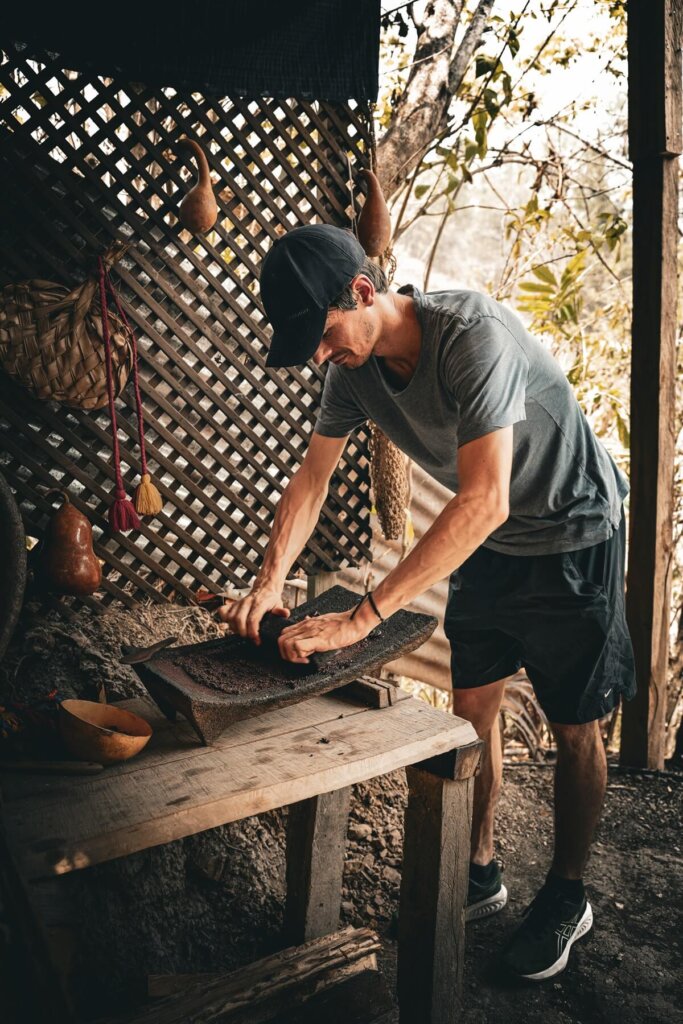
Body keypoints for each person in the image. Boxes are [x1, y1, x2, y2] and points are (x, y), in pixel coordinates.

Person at [218, 223, 636, 981]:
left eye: (320, 335)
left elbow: (484, 499)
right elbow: (311, 480)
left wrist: (361, 616)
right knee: (471, 707)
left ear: (363, 292)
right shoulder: (351, 372)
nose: (318, 356)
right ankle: (478, 866)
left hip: (572, 532)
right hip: (493, 548)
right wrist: (269, 581)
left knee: (577, 724)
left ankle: (567, 893)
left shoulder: (469, 336)